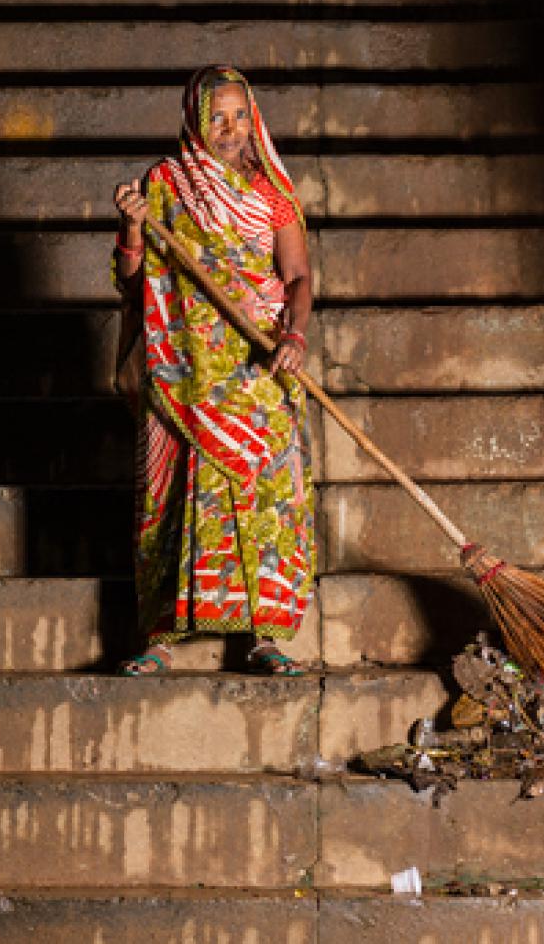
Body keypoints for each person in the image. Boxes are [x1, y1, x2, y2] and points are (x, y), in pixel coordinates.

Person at [110, 65, 316, 676]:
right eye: (215, 116)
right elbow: (130, 279)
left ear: (253, 118)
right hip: (182, 369)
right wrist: (131, 225)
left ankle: (265, 638)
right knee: (170, 493)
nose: (228, 128)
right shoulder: (165, 184)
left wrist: (295, 335)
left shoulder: (273, 189)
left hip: (259, 366)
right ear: (196, 119)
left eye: (237, 114)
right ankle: (158, 639)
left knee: (269, 499)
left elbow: (299, 276)